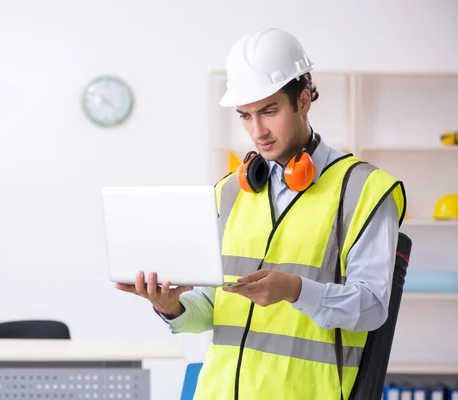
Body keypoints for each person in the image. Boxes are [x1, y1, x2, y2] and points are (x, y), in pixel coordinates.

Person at [115, 27, 406, 399]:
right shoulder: (230, 192)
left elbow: (372, 309)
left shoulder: (363, 190)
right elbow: (211, 308)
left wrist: (297, 290)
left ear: (303, 101)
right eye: (245, 116)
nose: (258, 131)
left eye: (269, 111)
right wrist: (172, 307)